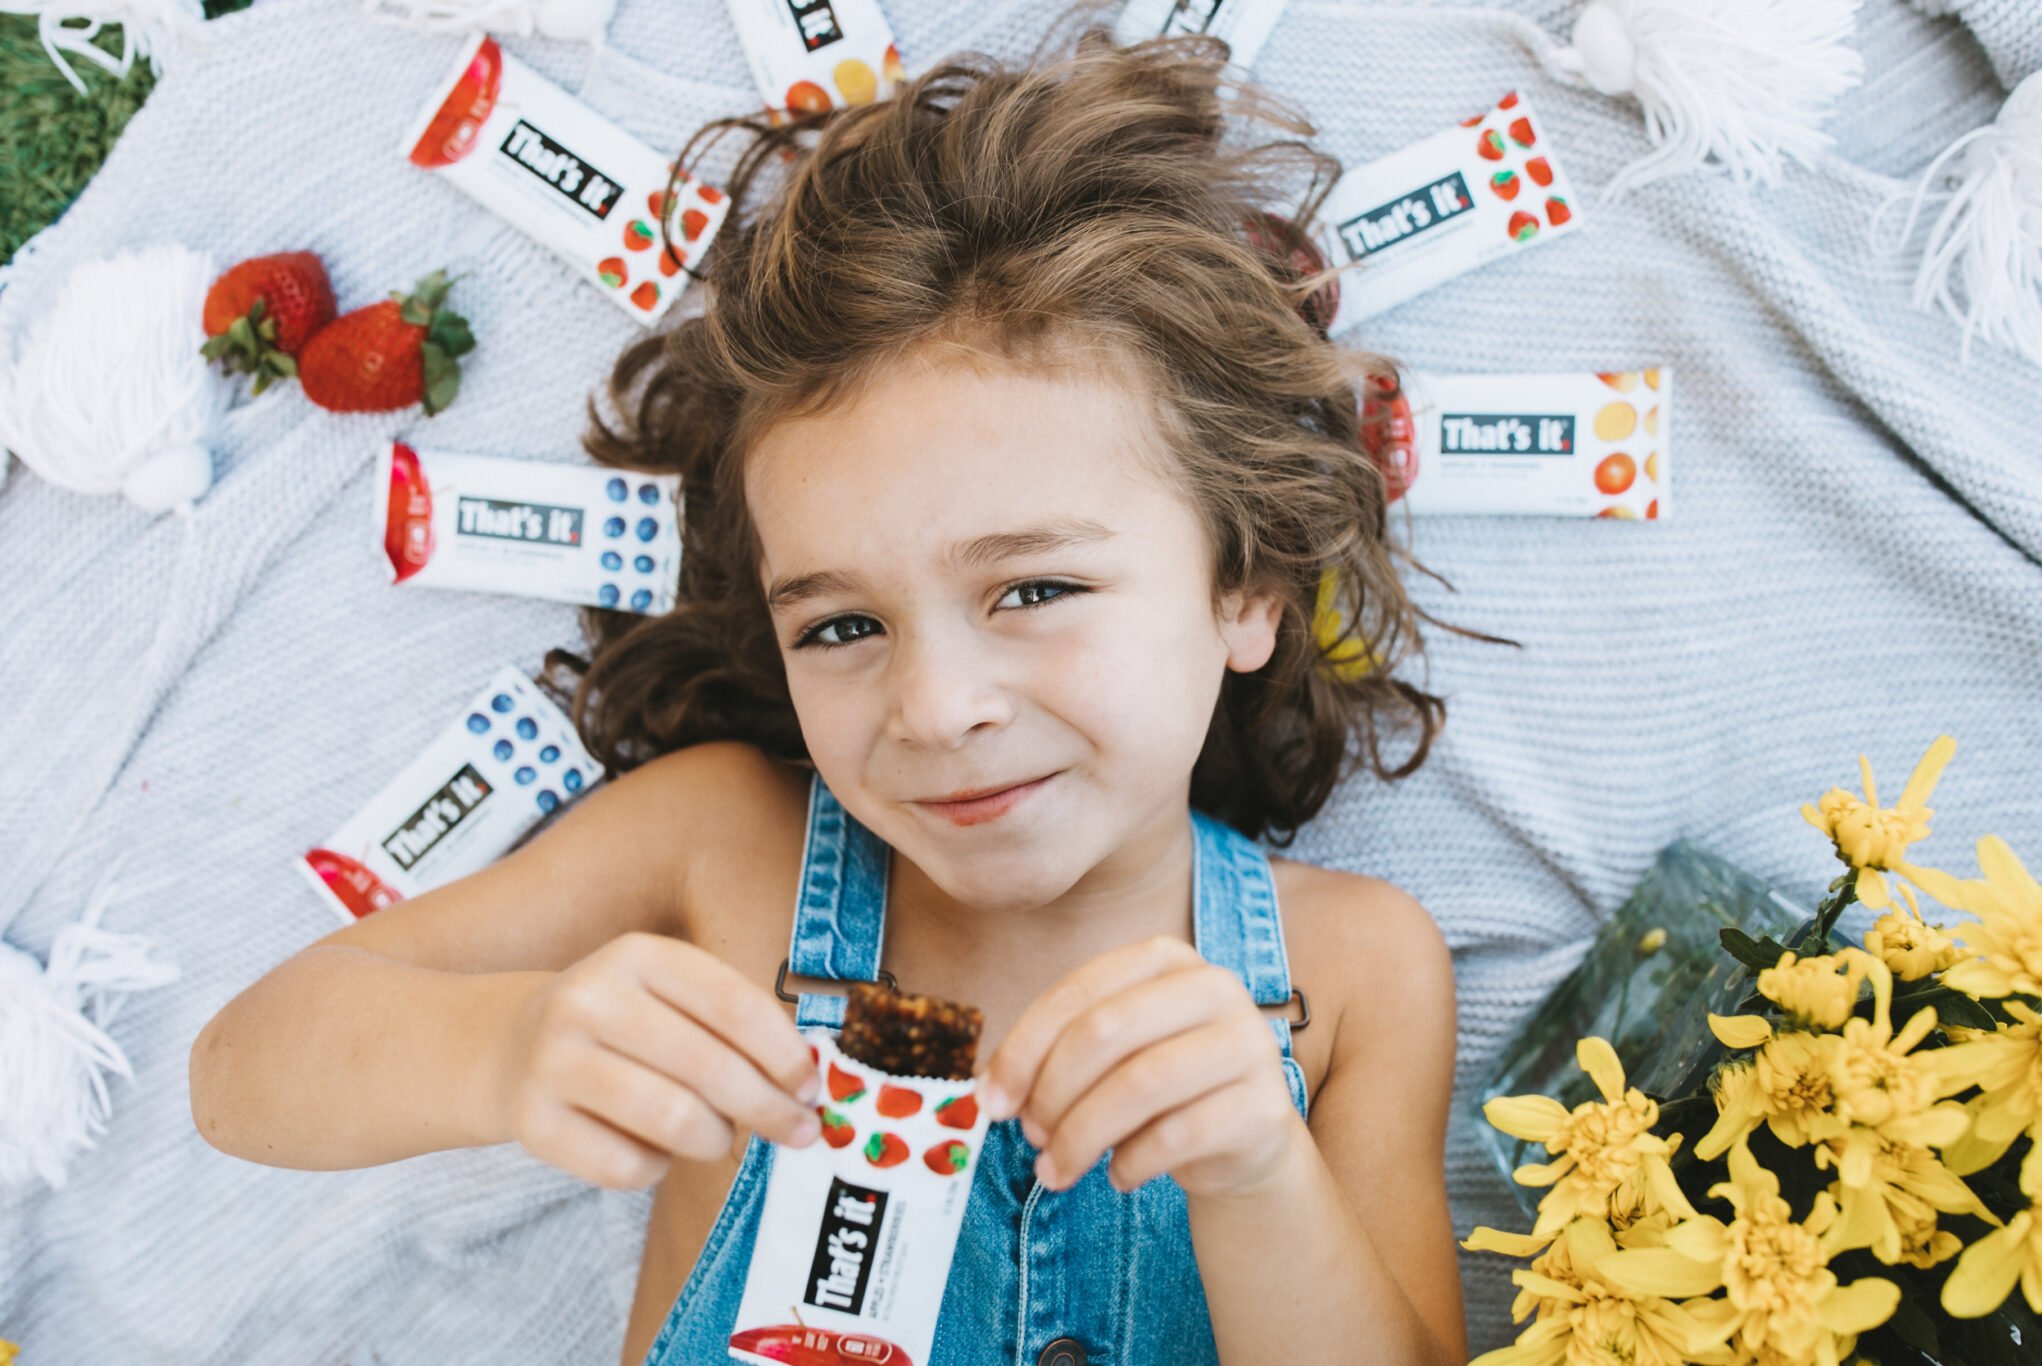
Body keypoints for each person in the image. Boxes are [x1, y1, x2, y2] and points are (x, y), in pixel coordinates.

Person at [192, 13, 1491, 1364]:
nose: (935, 708)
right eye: (844, 624)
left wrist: (1257, 1174)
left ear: (1247, 589)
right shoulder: (723, 848)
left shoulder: (1348, 975)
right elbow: (242, 1069)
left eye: (1033, 591)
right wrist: (505, 1047)